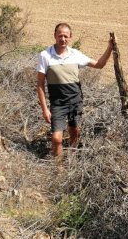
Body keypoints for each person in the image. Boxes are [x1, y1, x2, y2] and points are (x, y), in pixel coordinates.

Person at [36, 22, 113, 165]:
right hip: (57, 104)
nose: (63, 39)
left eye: (66, 36)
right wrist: (44, 109)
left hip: (75, 101)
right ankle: (59, 169)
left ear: (70, 37)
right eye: (60, 36)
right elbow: (40, 84)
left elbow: (99, 65)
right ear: (54, 36)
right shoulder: (45, 55)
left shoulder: (75, 54)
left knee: (74, 133)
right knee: (57, 139)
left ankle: (73, 161)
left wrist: (110, 47)